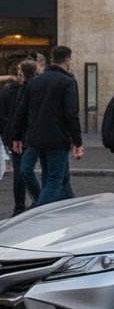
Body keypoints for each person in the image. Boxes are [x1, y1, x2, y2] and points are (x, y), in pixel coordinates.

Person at [11, 44, 85, 206]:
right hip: (58, 139)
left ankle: (69, 208)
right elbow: (71, 114)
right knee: (53, 182)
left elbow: (21, 111)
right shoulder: (67, 82)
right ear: (68, 60)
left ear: (52, 60)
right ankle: (38, 216)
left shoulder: (35, 82)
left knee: (55, 178)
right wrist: (77, 141)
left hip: (37, 138)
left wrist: (16, 136)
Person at [0, 60, 40, 213]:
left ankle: (24, 205)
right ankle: (34, 202)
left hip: (20, 135)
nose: (19, 73)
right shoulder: (15, 90)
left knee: (23, 170)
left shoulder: (12, 89)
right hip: (21, 136)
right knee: (23, 171)